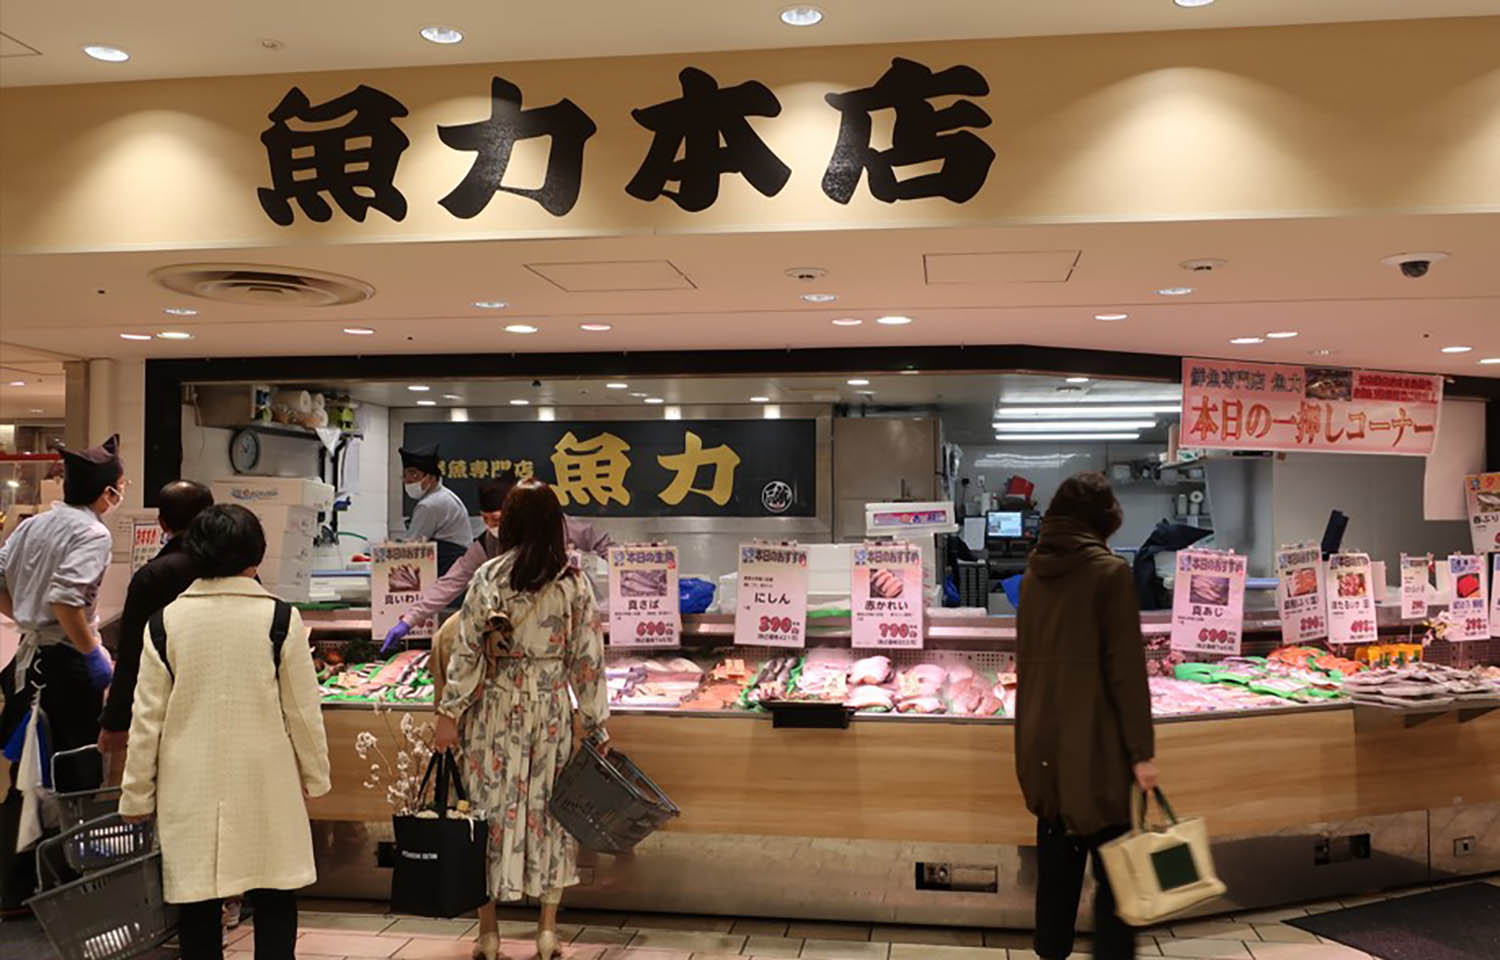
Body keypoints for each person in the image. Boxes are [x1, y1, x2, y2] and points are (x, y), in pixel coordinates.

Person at [120, 504, 331, 960]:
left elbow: (147, 720)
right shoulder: (279, 619)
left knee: (197, 901)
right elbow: (302, 712)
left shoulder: (165, 623)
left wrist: (136, 795)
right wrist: (316, 776)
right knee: (276, 891)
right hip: (265, 780)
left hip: (188, 783)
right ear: (256, 556)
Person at [433, 480, 608, 960]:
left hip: (493, 708)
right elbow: (588, 661)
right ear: (557, 526)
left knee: (485, 817)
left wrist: (449, 714)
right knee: (552, 818)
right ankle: (547, 931)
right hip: (550, 709)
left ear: (507, 524)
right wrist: (595, 725)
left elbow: (466, 651)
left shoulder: (489, 576)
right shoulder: (572, 582)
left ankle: (488, 933)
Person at [1015, 472, 1156, 960]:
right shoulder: (1110, 573)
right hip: (1096, 749)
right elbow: (1127, 673)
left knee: (1056, 872)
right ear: (1104, 519)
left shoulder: (1035, 572)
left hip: (1042, 747)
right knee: (1117, 877)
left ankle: (1050, 953)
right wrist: (1142, 752)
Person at [0, 435, 122, 910]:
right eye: (120, 487)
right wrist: (93, 653)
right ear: (107, 493)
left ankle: (17, 886)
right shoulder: (93, 533)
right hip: (66, 667)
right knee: (74, 771)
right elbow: (67, 600)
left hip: (28, 663)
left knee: (27, 771)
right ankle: (73, 883)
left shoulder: (35, 523)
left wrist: (24, 618)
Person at [382, 472, 615, 653]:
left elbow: (604, 543)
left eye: (497, 519)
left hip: (568, 622)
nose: (492, 526)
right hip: (517, 633)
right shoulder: (486, 547)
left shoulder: (555, 526)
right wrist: (409, 619)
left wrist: (624, 574)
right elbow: (452, 581)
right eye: (485, 520)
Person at [97, 479, 214, 753]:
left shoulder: (153, 576)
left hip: (163, 707)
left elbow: (132, 653)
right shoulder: (235, 568)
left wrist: (116, 721)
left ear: (162, 523)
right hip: (226, 704)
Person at [399, 444, 473, 576]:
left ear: (431, 477)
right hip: (456, 566)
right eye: (405, 475)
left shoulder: (430, 505)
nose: (408, 480)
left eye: (414, 474)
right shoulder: (444, 495)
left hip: (447, 567)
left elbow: (411, 547)